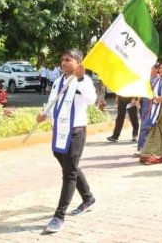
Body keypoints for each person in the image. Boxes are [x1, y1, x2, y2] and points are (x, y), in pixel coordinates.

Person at [37, 49, 97, 234]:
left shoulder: (83, 81)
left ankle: (59, 216)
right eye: (62, 59)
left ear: (78, 62)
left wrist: (80, 79)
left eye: (68, 60)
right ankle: (88, 198)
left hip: (76, 132)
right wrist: (44, 115)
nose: (63, 63)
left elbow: (92, 99)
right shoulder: (58, 82)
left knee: (69, 173)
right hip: (59, 132)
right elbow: (52, 102)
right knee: (71, 167)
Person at [136, 65, 160, 153]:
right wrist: (138, 100)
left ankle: (151, 148)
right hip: (146, 104)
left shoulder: (158, 79)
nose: (149, 70)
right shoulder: (147, 79)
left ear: (156, 69)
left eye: (151, 68)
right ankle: (141, 147)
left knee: (152, 126)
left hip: (154, 105)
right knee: (143, 125)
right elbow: (142, 90)